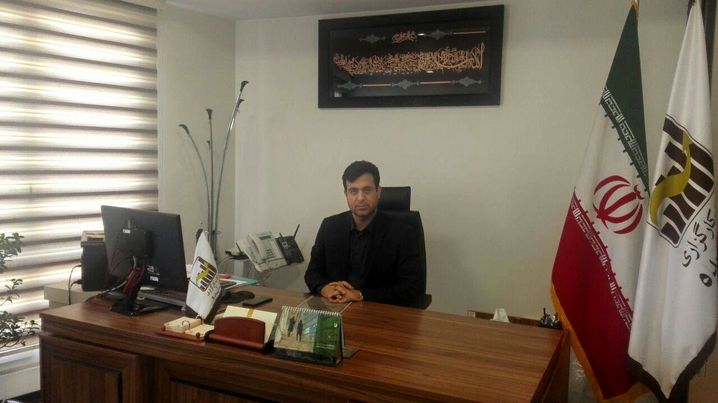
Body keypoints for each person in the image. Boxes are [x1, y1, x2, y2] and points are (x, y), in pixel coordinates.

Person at [304, 160, 424, 307]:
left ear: (378, 192)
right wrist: (324, 288)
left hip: (380, 311)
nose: (360, 198)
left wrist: (361, 294)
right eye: (353, 191)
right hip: (336, 308)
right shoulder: (330, 226)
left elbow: (411, 287)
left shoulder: (402, 232)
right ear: (346, 194)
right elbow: (312, 273)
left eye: (367, 190)